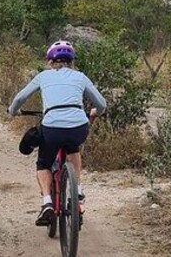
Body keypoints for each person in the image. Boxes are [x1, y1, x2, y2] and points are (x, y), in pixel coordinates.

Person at [7, 40, 107, 226]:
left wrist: (12, 111)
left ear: (50, 61)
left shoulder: (43, 76)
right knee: (73, 149)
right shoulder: (80, 76)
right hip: (79, 126)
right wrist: (95, 113)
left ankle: (47, 203)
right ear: (71, 62)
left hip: (52, 126)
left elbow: (21, 97)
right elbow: (101, 104)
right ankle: (77, 189)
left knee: (44, 163)